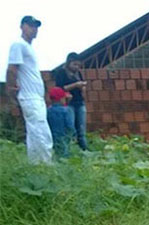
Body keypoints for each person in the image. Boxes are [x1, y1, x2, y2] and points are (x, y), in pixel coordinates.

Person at [6, 15, 53, 164]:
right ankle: (47, 166)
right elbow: (12, 69)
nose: (34, 29)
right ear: (22, 26)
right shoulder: (18, 44)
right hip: (29, 97)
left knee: (34, 134)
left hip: (35, 97)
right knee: (41, 132)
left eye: (36, 26)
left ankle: (36, 165)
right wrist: (10, 88)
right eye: (30, 25)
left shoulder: (28, 48)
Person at [55, 52, 88, 150]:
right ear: (69, 63)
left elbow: (82, 86)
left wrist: (82, 88)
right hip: (68, 104)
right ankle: (70, 150)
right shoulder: (61, 73)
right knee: (70, 129)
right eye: (74, 64)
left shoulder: (78, 74)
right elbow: (60, 88)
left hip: (80, 102)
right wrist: (75, 85)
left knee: (81, 129)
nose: (77, 67)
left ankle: (84, 150)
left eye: (78, 65)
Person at [47, 87, 73, 158]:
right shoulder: (67, 110)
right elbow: (70, 125)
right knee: (65, 153)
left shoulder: (48, 111)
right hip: (64, 136)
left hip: (52, 137)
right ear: (61, 99)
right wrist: (73, 135)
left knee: (55, 153)